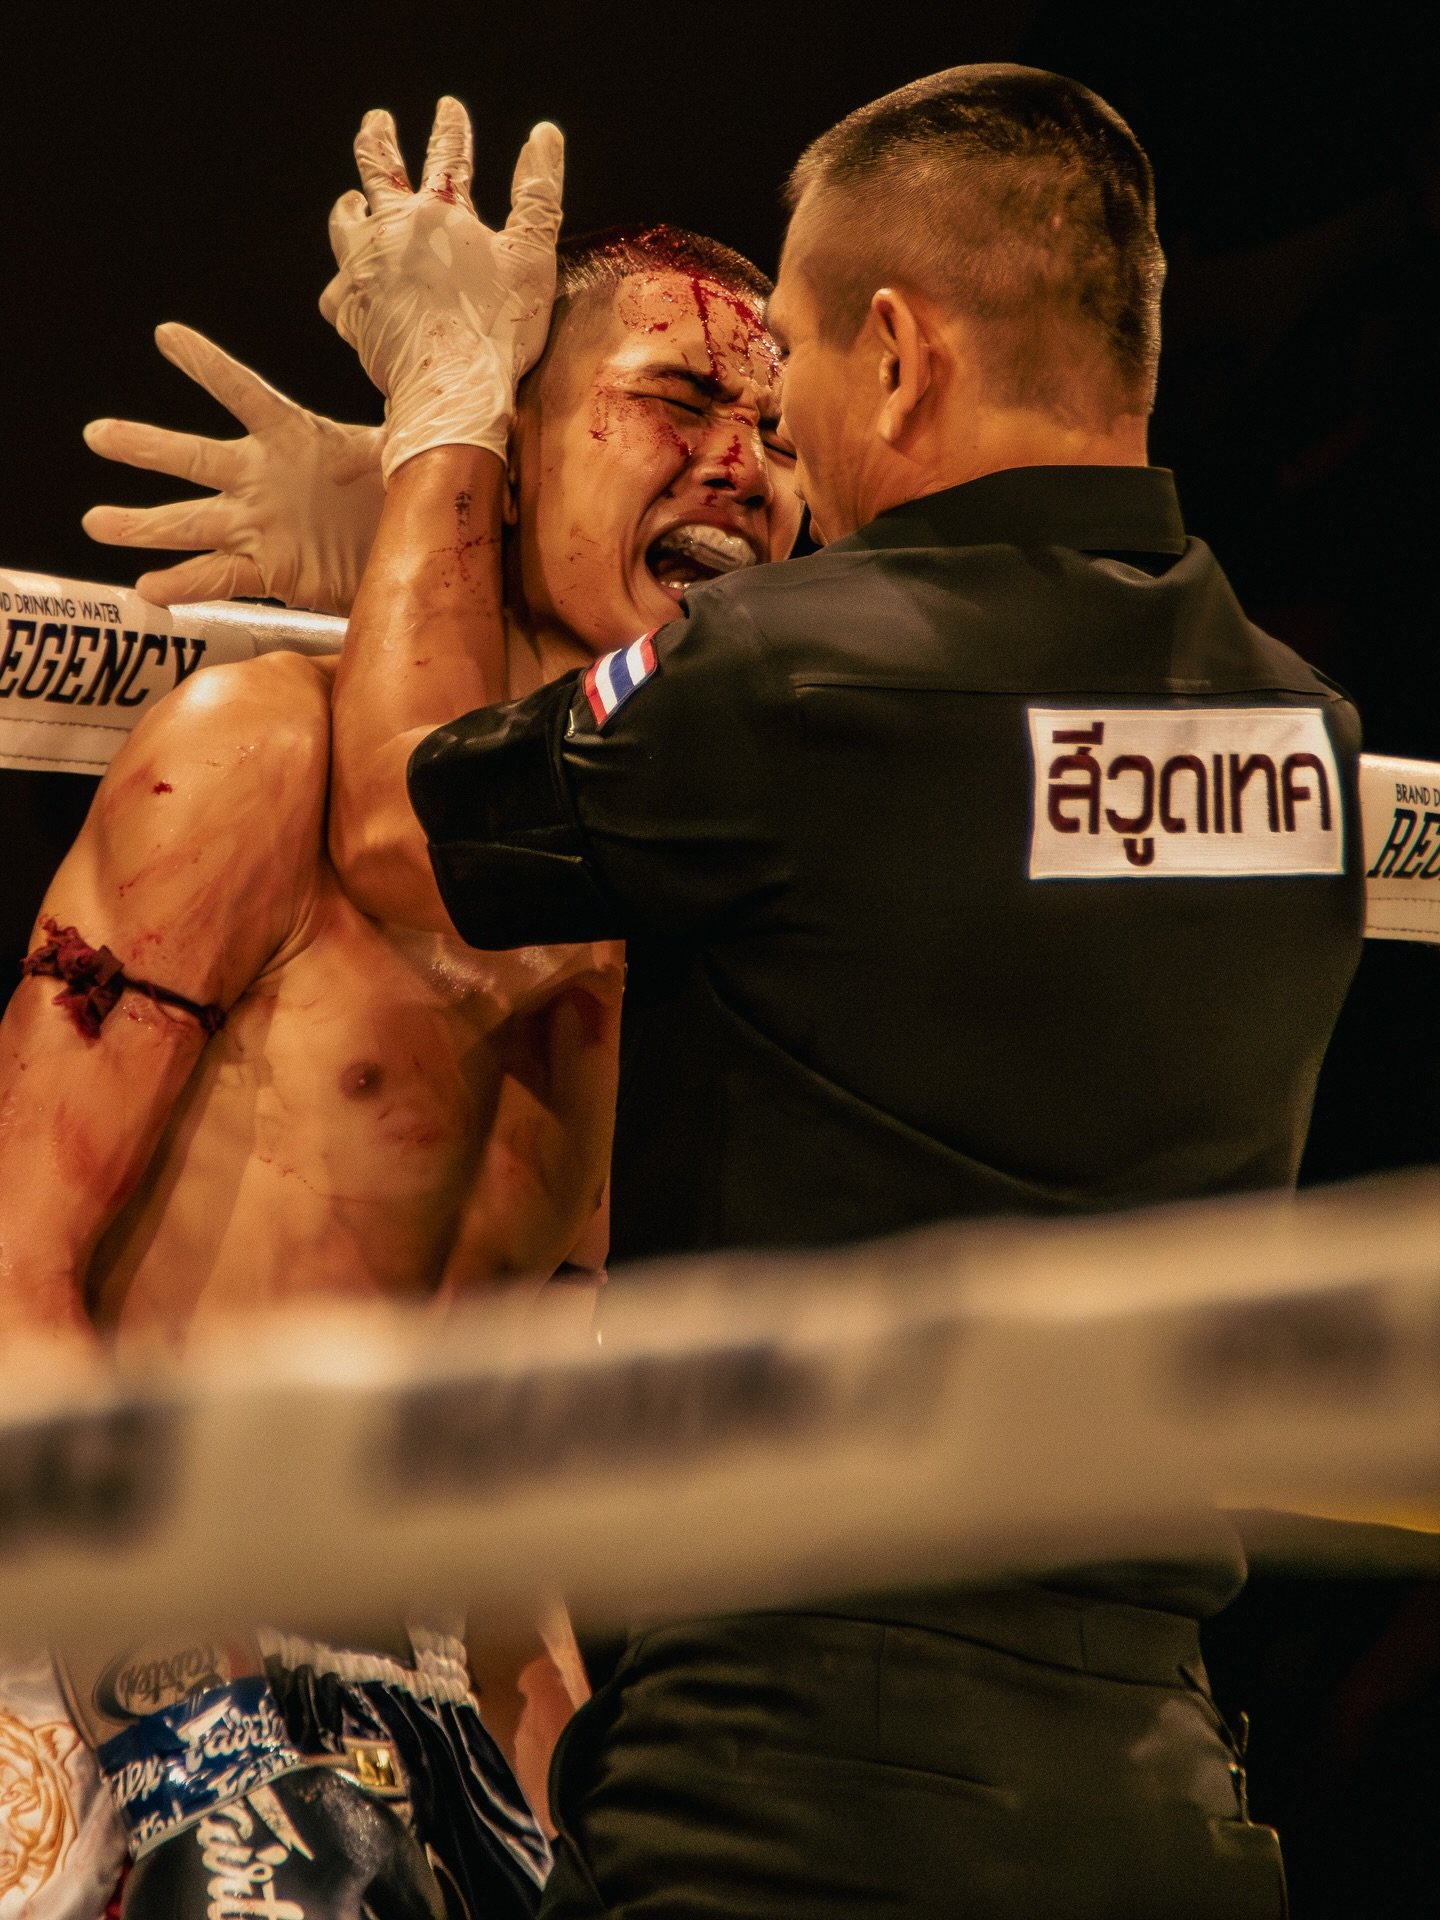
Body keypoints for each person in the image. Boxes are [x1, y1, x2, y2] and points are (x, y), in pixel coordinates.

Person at [318, 70, 1364, 1919]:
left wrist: (440, 433)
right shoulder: (1296, 737)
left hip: (792, 1802)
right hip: (1164, 1795)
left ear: (894, 354)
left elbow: (413, 828)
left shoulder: (788, 683)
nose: (770, 429)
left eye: (783, 359)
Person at [0, 152, 800, 1919]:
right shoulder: (258, 751)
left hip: (430, 1693)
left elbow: (527, 1451)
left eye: (783, 428)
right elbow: (11, 1263)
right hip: (96, 1607)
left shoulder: (672, 919)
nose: (742, 460)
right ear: (511, 450)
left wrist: (572, 1780)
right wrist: (161, 1698)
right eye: (675, 396)